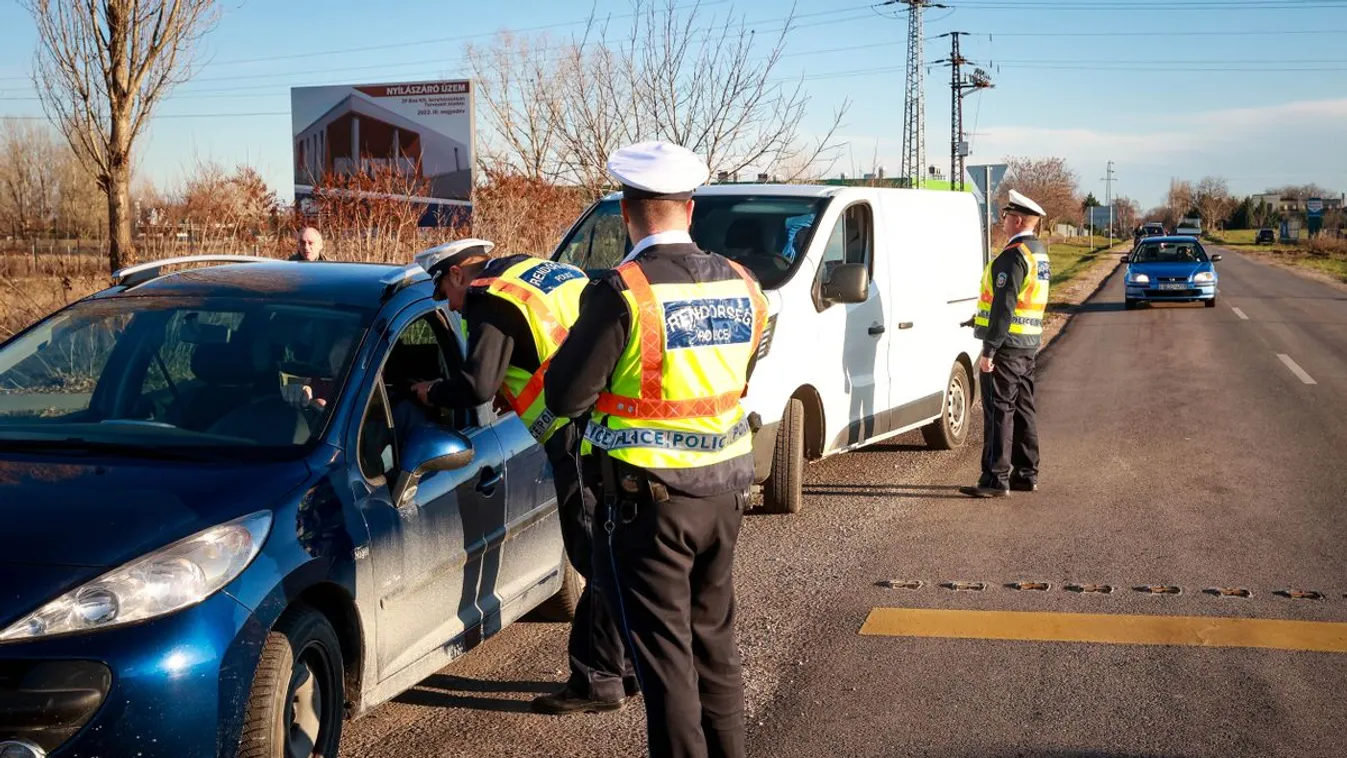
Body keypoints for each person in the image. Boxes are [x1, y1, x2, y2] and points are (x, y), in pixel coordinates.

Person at [544, 140, 769, 758]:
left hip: (651, 507)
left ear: (625, 210)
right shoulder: (745, 285)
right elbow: (745, 369)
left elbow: (565, 396)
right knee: (714, 650)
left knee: (667, 666)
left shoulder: (622, 291)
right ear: (690, 210)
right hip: (725, 494)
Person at [406, 238, 639, 715]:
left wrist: (430, 391)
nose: (451, 306)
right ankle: (628, 666)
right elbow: (547, 343)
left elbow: (475, 385)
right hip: (609, 422)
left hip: (575, 437)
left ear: (455, 275)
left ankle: (597, 680)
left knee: (592, 555)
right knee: (607, 552)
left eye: (444, 294)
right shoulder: (537, 271)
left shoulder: (486, 297)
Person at [960, 189, 1051, 498]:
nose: (1002, 223)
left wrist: (989, 350)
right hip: (1027, 345)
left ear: (1018, 220)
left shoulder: (1013, 256)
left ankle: (995, 479)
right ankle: (1027, 474)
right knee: (1024, 410)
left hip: (1006, 347)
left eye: (1004, 218)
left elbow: (1004, 306)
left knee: (999, 411)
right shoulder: (1037, 253)